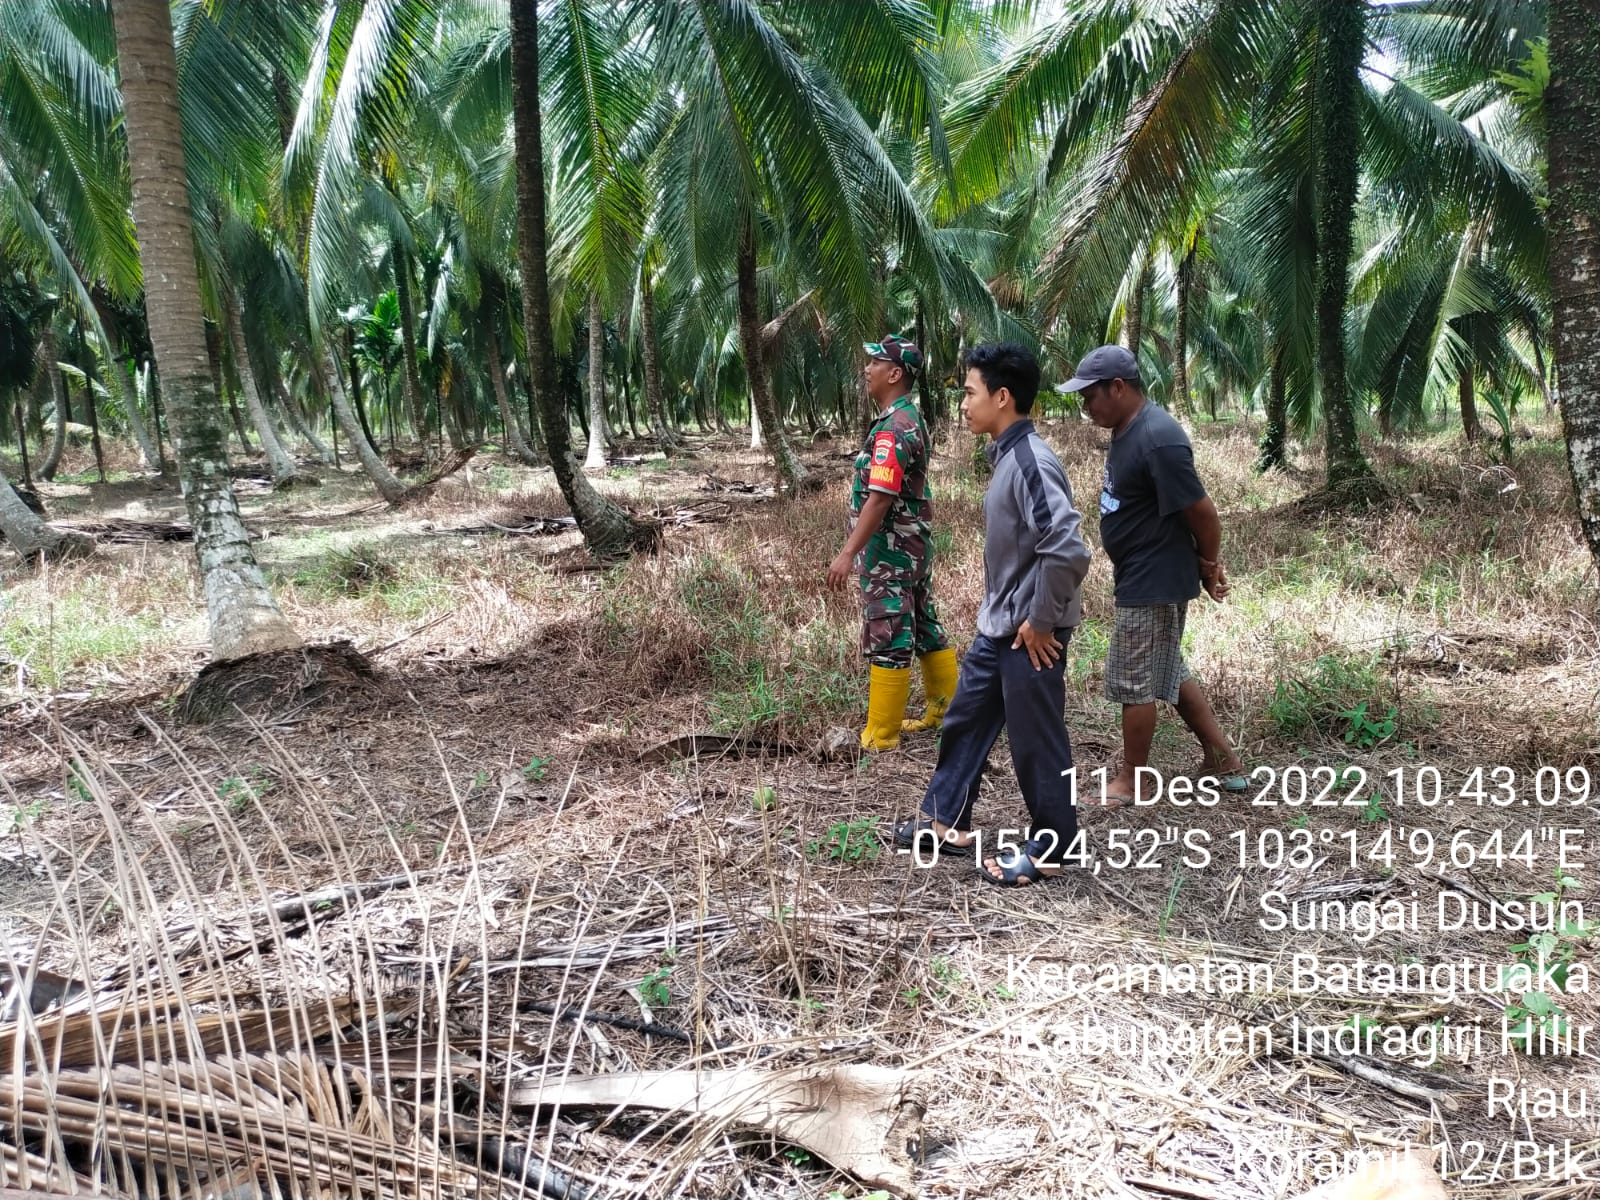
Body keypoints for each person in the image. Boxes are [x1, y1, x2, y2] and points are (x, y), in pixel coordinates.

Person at [892, 342, 1092, 887]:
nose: (962, 403)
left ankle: (1054, 846)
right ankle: (946, 821)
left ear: (1003, 398)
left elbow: (1069, 547)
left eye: (970, 392)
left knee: (1036, 740)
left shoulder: (1030, 461)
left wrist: (1043, 620)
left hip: (1029, 632)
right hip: (998, 626)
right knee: (966, 718)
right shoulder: (1005, 455)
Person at [1061, 344, 1247, 806]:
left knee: (1135, 679)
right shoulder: (1129, 429)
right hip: (1143, 571)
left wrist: (1209, 566)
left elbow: (1203, 513)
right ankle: (1222, 757)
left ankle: (1133, 778)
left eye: (1090, 395)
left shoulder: (1158, 438)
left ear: (1118, 388)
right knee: (1167, 669)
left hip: (1154, 577)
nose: (1086, 406)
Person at [826, 335, 957, 751]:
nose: (867, 369)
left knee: (889, 632)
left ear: (895, 373)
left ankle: (881, 736)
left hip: (890, 553)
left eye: (875, 363)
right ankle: (944, 711)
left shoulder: (894, 428)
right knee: (923, 625)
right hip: (911, 548)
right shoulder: (905, 419)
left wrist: (848, 552)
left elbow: (880, 497)